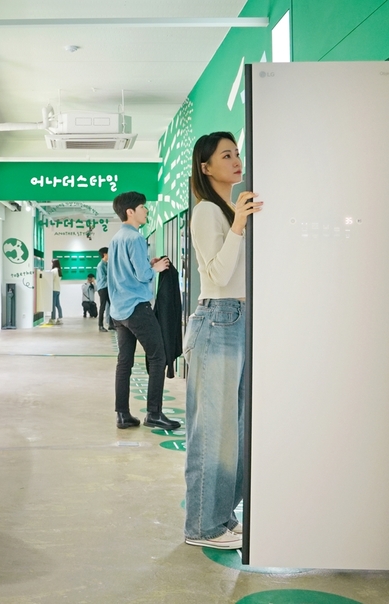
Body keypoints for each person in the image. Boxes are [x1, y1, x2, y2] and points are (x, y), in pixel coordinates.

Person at [182, 132, 261, 550]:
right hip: (219, 319)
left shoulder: (229, 208)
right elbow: (218, 275)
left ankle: (222, 516)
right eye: (226, 155)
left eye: (237, 153)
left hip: (240, 320)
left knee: (234, 428)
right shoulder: (207, 213)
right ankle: (201, 527)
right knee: (212, 429)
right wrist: (239, 226)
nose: (236, 160)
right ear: (205, 166)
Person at [108, 191, 181, 431]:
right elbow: (142, 275)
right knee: (158, 356)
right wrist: (157, 268)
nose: (146, 211)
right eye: (143, 207)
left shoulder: (118, 238)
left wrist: (148, 266)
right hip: (137, 308)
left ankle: (122, 415)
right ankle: (154, 413)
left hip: (119, 310)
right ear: (131, 211)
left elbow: (125, 272)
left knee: (124, 363)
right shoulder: (136, 238)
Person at [95, 247, 113, 332]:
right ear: (105, 254)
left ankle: (111, 325)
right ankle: (100, 325)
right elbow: (103, 278)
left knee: (112, 306)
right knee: (103, 307)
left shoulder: (107, 264)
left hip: (107, 287)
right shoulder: (100, 265)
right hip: (102, 288)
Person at [49, 258, 63, 325]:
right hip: (58, 290)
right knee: (58, 305)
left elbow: (50, 279)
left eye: (52, 262)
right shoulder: (59, 271)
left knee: (53, 305)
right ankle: (60, 318)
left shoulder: (53, 271)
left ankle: (53, 318)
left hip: (53, 289)